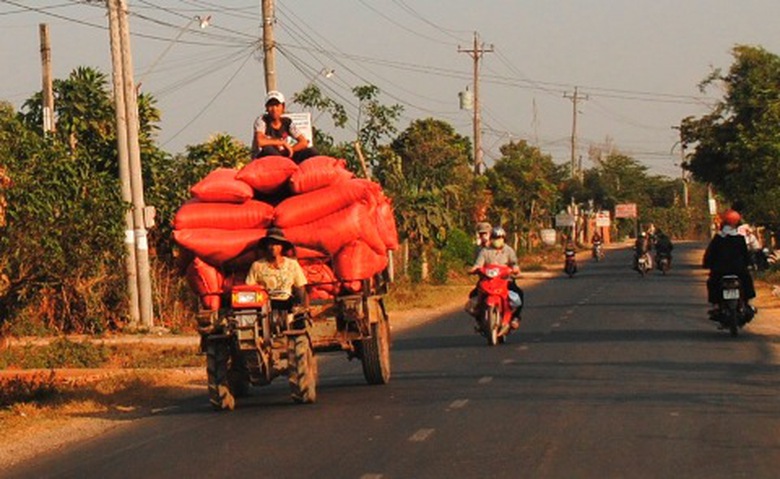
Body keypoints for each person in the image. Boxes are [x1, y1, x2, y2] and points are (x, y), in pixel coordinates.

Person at [469, 226, 524, 330]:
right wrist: (474, 269)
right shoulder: (485, 251)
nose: (497, 240)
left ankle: (515, 318)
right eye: (495, 237)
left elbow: (514, 264)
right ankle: (480, 319)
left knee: (519, 294)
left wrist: (515, 269)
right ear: (491, 239)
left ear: (504, 239)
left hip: (505, 281)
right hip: (487, 281)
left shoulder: (509, 250)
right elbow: (478, 264)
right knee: (473, 295)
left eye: (500, 237)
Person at [703, 209, 756, 316]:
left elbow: (710, 253)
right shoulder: (739, 239)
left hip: (720, 270)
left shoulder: (718, 238)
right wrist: (749, 264)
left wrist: (706, 264)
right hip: (738, 270)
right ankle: (746, 303)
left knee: (712, 282)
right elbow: (745, 254)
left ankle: (717, 305)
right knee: (747, 281)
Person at [246, 228, 308, 310]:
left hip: (287, 302)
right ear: (266, 247)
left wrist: (300, 306)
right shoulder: (257, 265)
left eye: (277, 244)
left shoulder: (292, 264)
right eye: (270, 244)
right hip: (265, 304)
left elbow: (300, 287)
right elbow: (249, 288)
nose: (273, 248)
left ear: (282, 247)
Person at [252, 90, 318, 163]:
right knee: (268, 149)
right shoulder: (262, 121)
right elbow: (260, 141)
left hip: (283, 155)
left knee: (311, 151)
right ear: (266, 108)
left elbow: (303, 142)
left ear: (283, 107)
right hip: (268, 157)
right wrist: (282, 143)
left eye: (277, 105)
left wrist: (291, 150)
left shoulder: (287, 122)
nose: (274, 109)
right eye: (271, 106)